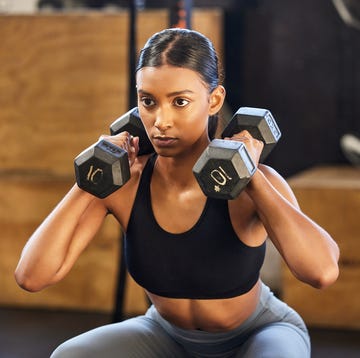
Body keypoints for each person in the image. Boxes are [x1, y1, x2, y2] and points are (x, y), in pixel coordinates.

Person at [15, 28, 339, 358]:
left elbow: (322, 272)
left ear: (214, 101)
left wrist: (251, 175)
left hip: (258, 332)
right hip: (164, 334)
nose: (160, 121)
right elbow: (32, 276)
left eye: (180, 101)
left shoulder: (256, 183)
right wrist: (87, 183)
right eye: (148, 102)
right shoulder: (124, 184)